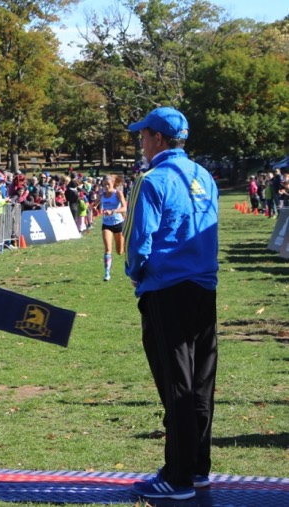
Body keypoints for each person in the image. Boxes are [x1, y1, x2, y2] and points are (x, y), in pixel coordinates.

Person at [123, 106, 218, 501]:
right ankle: (196, 466)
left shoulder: (153, 180)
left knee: (176, 382)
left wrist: (135, 272)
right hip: (203, 286)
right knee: (200, 382)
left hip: (166, 288)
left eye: (143, 136)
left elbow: (138, 241)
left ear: (158, 139)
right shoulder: (204, 175)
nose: (140, 143)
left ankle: (178, 477)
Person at [95, 175, 127, 281]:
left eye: (108, 184)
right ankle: (107, 273)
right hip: (106, 225)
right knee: (108, 248)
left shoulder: (118, 193)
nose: (106, 186)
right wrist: (93, 207)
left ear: (113, 183)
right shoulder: (102, 194)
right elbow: (95, 205)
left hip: (118, 224)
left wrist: (113, 211)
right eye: (104, 185)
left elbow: (124, 208)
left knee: (119, 251)